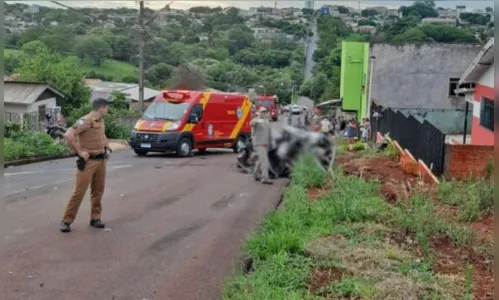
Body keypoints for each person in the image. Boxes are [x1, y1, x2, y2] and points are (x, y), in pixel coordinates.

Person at [60, 98, 111, 233]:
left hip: (101, 160)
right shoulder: (86, 120)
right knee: (79, 192)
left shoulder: (100, 121)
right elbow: (68, 135)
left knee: (98, 191)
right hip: (88, 162)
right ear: (101, 107)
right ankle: (66, 221)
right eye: (106, 108)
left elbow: (101, 136)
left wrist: (106, 146)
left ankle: (95, 218)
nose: (107, 110)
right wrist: (80, 152)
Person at [251, 106, 272, 184]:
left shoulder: (266, 121)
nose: (263, 113)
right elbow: (252, 123)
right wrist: (257, 121)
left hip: (265, 143)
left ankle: (255, 174)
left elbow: (268, 132)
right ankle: (265, 178)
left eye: (264, 112)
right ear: (259, 112)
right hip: (259, 144)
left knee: (260, 160)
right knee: (265, 161)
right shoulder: (256, 120)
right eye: (262, 112)